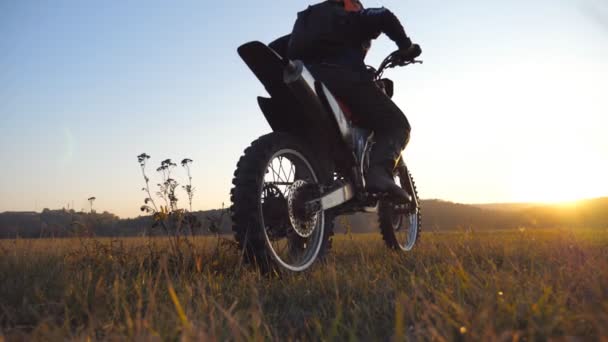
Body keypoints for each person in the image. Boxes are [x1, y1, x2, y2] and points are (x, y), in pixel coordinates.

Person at [287, 0, 421, 200]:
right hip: (344, 79)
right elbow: (384, 15)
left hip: (304, 83)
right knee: (398, 125)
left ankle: (310, 197)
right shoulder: (350, 17)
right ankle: (379, 172)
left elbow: (283, 49)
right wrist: (407, 47)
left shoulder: (307, 26)